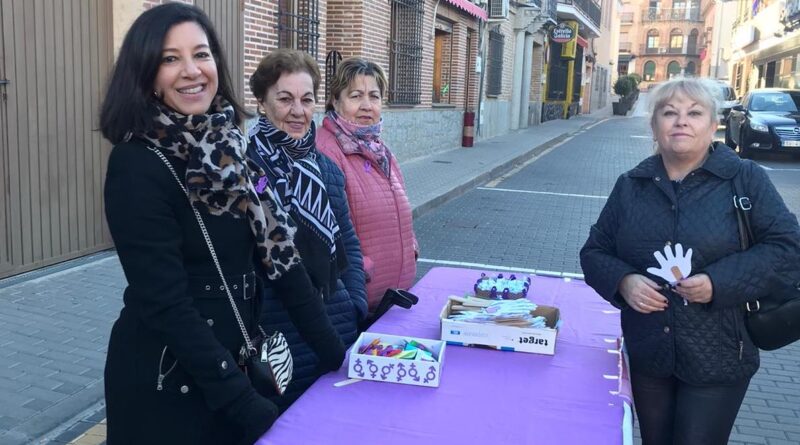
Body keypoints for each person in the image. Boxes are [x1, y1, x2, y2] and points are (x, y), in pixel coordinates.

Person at [99, 4, 344, 444]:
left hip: (235, 368)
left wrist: (337, 354)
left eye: (202, 54)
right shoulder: (136, 163)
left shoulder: (230, 149)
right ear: (146, 74)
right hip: (168, 386)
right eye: (170, 58)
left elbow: (283, 262)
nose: (192, 71)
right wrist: (242, 401)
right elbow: (165, 302)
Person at [580, 77, 800, 445]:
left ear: (713, 125)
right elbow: (594, 251)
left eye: (694, 113)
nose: (681, 121)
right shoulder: (631, 185)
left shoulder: (744, 179)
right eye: (669, 113)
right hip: (650, 352)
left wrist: (718, 283)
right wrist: (624, 282)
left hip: (721, 354)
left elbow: (788, 249)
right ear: (655, 126)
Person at [246, 49, 368, 407]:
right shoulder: (244, 169)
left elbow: (349, 243)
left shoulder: (326, 169)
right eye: (285, 99)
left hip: (336, 331)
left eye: (306, 99)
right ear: (262, 103)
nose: (298, 111)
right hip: (277, 339)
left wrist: (357, 303)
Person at [315, 58, 418, 314]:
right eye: (355, 96)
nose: (366, 105)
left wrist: (411, 248)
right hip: (359, 305)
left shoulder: (381, 150)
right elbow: (329, 233)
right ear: (335, 101)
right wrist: (362, 271)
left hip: (394, 301)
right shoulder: (327, 151)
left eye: (374, 96)